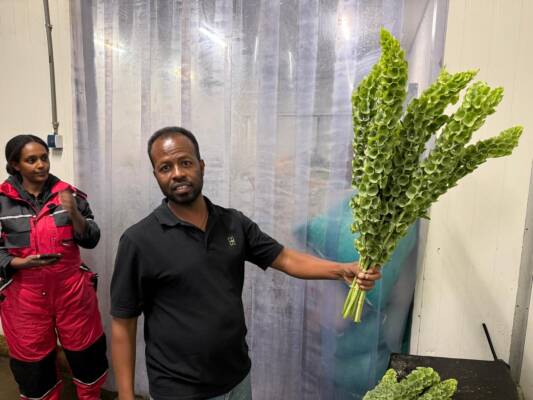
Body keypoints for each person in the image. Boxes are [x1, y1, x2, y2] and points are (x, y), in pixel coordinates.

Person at [110, 126, 381, 400]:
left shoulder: (233, 224)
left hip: (237, 378)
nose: (177, 173)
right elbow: (123, 322)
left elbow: (285, 258)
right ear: (156, 175)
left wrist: (342, 270)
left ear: (201, 166)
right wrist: (125, 394)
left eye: (185, 162)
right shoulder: (139, 241)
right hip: (180, 390)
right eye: (165, 167)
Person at [0, 135, 108, 400]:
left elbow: (92, 238)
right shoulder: (2, 201)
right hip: (24, 297)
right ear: (15, 165)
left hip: (72, 292)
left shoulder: (68, 194)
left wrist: (74, 214)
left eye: (44, 158)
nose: (41, 165)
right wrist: (18, 263)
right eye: (31, 160)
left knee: (87, 353)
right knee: (33, 364)